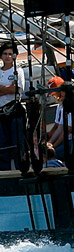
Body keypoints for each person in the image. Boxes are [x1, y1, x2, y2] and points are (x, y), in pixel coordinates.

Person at [0, 42, 25, 170]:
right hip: (1, 113)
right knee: (2, 145)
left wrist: (4, 89)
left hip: (14, 110)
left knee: (17, 144)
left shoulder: (18, 71)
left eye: (10, 54)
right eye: (5, 54)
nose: (7, 57)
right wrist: (8, 88)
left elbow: (16, 89)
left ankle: (20, 169)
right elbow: (10, 89)